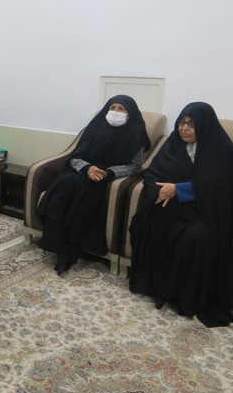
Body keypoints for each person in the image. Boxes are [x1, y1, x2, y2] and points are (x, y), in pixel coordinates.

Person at [129, 102, 233, 327]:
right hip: (173, 208)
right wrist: (158, 191)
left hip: (206, 212)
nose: (184, 128)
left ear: (204, 125)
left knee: (197, 236)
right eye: (181, 122)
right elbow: (152, 175)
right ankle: (159, 288)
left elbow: (220, 187)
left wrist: (178, 189)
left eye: (191, 124)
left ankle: (185, 297)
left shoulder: (221, 149)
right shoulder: (173, 143)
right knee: (153, 223)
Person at [38, 95, 151, 274]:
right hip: (84, 169)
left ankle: (71, 250)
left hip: (105, 176)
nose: (116, 112)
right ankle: (58, 246)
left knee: (87, 194)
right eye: (112, 107)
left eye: (121, 109)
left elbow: (135, 166)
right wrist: (87, 168)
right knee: (65, 184)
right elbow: (75, 156)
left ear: (130, 113)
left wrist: (109, 173)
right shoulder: (95, 126)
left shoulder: (136, 133)